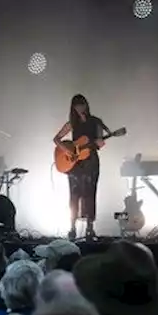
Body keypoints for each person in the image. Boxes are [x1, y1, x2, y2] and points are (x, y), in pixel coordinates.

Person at [53, 94, 112, 239]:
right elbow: (56, 139)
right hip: (75, 163)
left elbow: (100, 143)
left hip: (91, 161)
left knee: (89, 194)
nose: (80, 108)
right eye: (77, 105)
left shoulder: (96, 122)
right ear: (73, 108)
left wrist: (99, 143)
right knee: (74, 195)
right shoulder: (72, 123)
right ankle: (72, 227)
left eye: (82, 104)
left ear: (86, 105)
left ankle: (89, 228)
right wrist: (68, 150)